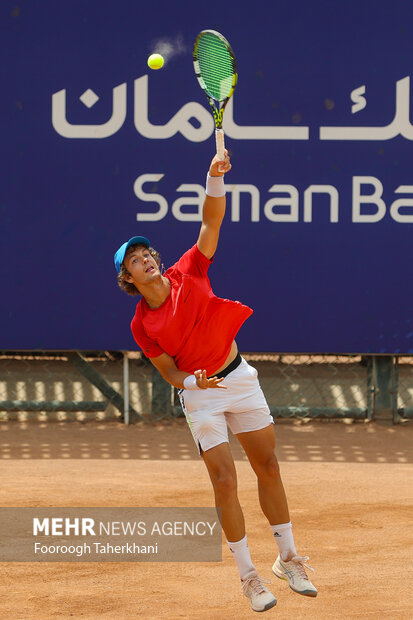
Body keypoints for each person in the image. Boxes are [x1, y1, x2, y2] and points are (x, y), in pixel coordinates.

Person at [114, 151, 317, 612]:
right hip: (201, 397)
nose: (144, 258)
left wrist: (213, 178)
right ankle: (248, 577)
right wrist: (192, 384)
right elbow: (169, 372)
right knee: (225, 481)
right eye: (134, 259)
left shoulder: (189, 269)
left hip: (240, 377)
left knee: (268, 468)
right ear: (127, 278)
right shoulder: (141, 325)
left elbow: (211, 222)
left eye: (147, 252)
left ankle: (288, 559)